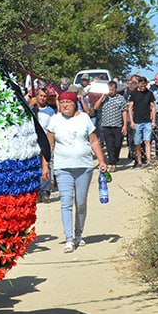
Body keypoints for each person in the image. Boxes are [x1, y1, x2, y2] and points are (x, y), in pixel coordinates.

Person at [47, 90, 108, 253]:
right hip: (63, 167)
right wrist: (45, 165)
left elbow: (94, 141)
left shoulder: (84, 118)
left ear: (75, 104)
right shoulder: (55, 120)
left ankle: (78, 234)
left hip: (84, 167)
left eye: (68, 102)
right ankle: (69, 238)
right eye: (62, 102)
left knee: (80, 203)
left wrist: (101, 161)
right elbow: (49, 145)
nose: (65, 105)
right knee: (66, 202)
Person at [93, 81, 127, 172]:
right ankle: (113, 164)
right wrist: (102, 97)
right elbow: (96, 107)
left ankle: (115, 158)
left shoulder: (121, 98)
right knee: (109, 145)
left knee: (117, 144)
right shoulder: (104, 98)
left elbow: (124, 111)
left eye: (112, 90)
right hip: (106, 125)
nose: (111, 91)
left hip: (117, 125)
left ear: (115, 89)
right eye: (109, 90)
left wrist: (124, 125)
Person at [127, 76, 155, 167]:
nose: (143, 87)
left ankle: (149, 160)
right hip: (137, 121)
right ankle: (139, 161)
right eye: (141, 86)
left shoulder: (149, 93)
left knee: (147, 141)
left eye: (144, 85)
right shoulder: (134, 94)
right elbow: (130, 108)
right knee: (137, 142)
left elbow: (153, 107)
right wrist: (131, 121)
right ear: (138, 84)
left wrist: (153, 121)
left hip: (147, 121)